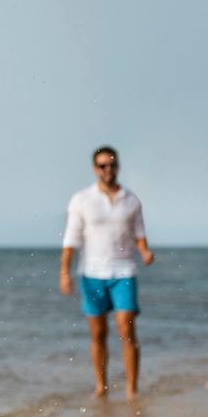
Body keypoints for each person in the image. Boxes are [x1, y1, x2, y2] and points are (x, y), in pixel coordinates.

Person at [59, 145, 154, 400]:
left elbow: (140, 236)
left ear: (118, 166)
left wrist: (145, 251)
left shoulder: (131, 201)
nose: (108, 169)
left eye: (111, 164)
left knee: (127, 328)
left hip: (124, 271)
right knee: (98, 334)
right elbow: (71, 239)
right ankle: (102, 387)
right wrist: (65, 273)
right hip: (91, 273)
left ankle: (132, 389)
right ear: (95, 169)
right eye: (102, 165)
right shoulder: (81, 200)